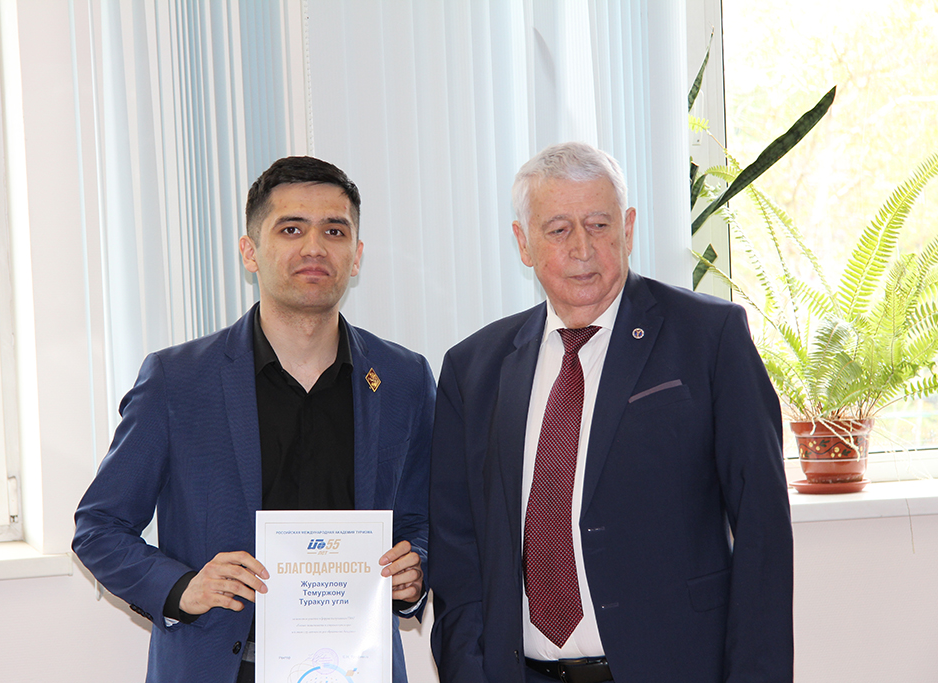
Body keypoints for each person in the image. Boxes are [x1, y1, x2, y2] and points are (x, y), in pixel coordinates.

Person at [429, 142, 792, 683]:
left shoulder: (709, 338)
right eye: (558, 230)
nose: (582, 248)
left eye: (598, 225)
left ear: (628, 228)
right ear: (523, 243)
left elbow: (763, 531)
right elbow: (457, 552)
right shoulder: (473, 369)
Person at [73, 156, 434, 683]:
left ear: (356, 256)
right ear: (250, 252)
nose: (315, 247)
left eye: (335, 231)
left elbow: (424, 518)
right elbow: (99, 527)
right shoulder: (178, 380)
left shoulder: (404, 378)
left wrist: (415, 568)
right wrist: (183, 588)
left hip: (360, 666)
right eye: (291, 229)